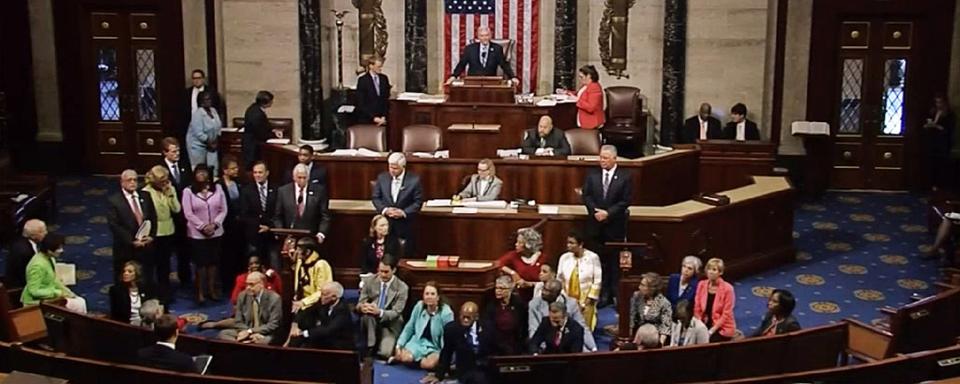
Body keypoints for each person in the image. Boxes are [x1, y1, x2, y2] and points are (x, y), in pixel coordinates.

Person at [582, 145, 632, 307]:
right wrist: (595, 211)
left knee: (613, 263)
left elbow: (625, 201)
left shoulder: (625, 177)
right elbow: (586, 195)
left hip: (614, 226)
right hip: (596, 226)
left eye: (605, 158)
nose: (601, 161)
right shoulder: (592, 175)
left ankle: (615, 294)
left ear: (614, 158)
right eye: (600, 157)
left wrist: (608, 213)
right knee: (598, 262)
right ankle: (602, 294)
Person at [181, 165, 227, 304]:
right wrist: (202, 226)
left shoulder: (218, 189)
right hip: (197, 234)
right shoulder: (188, 191)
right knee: (201, 264)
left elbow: (223, 209)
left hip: (216, 232)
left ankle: (212, 290)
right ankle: (200, 292)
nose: (201, 174)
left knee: (213, 263)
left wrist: (215, 224)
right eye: (198, 172)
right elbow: (188, 213)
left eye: (204, 172)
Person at [107, 169, 157, 285]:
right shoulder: (114, 201)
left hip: (145, 245)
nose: (133, 182)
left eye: (135, 179)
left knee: (147, 274)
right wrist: (131, 241)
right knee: (125, 277)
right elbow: (114, 225)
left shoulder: (145, 195)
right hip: (126, 248)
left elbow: (153, 218)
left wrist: (151, 236)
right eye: (129, 180)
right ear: (122, 182)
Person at [391, 282, 455, 369]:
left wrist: (444, 358)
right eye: (427, 294)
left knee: (428, 365)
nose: (429, 296)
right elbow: (409, 327)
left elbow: (448, 337)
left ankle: (419, 362)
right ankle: (412, 358)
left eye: (432, 294)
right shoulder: (419, 306)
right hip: (418, 343)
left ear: (438, 297)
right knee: (406, 358)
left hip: (434, 347)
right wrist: (399, 345)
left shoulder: (446, 313)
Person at [357, 255, 409, 359]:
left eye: (386, 272)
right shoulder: (370, 281)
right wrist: (363, 307)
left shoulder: (402, 287)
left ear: (394, 270)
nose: (382, 275)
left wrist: (380, 312)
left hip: (390, 323)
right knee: (369, 315)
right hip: (370, 320)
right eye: (380, 271)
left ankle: (379, 343)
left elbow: (396, 312)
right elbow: (360, 303)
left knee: (385, 353)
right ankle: (371, 347)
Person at [429, 301, 494, 384]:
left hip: (486, 368)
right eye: (463, 317)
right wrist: (439, 375)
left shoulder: (487, 327)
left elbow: (494, 348)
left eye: (468, 317)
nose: (465, 320)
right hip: (466, 369)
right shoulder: (452, 329)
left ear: (476, 317)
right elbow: (446, 353)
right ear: (459, 315)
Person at [142, 165, 180, 302]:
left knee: (165, 265)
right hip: (153, 233)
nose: (165, 183)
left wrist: (170, 194)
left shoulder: (170, 189)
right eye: (161, 180)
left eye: (166, 179)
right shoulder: (145, 192)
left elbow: (176, 209)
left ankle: (165, 294)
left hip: (168, 231)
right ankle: (150, 292)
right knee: (151, 264)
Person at [371, 153, 423, 256]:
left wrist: (403, 212)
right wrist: (385, 210)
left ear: (403, 167)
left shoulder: (414, 180)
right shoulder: (382, 178)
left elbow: (418, 202)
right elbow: (376, 198)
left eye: (395, 168)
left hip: (405, 225)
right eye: (390, 167)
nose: (392, 170)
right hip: (386, 222)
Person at [21, 233, 87, 313]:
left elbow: (54, 279)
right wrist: (58, 293)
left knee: (80, 300)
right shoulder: (37, 266)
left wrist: (68, 292)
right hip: (35, 303)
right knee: (79, 304)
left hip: (50, 295)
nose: (61, 250)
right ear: (49, 250)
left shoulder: (50, 259)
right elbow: (34, 291)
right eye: (58, 248)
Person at [158, 137, 193, 288]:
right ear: (165, 153)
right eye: (173, 151)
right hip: (167, 218)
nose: (177, 154)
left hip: (183, 215)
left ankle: (185, 279)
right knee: (165, 254)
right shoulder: (159, 170)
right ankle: (165, 285)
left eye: (178, 150)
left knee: (184, 250)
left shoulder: (184, 165)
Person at [528, 279, 598, 352]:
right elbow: (533, 329)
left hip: (570, 343)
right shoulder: (534, 304)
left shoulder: (571, 303)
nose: (543, 292)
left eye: (548, 291)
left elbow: (582, 327)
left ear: (557, 293)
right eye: (544, 289)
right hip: (546, 345)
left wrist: (593, 348)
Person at [214, 271, 282, 344]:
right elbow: (238, 321)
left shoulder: (274, 298)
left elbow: (273, 325)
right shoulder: (242, 296)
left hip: (264, 333)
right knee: (223, 334)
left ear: (261, 284)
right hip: (245, 330)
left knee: (265, 341)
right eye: (247, 284)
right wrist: (247, 332)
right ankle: (246, 343)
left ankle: (243, 344)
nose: (248, 288)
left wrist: (251, 331)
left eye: (251, 285)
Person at [273, 163, 332, 244]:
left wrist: (321, 233)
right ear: (294, 177)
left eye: (304, 178)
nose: (302, 180)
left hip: (311, 237)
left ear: (308, 177)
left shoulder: (319, 191)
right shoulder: (283, 191)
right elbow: (277, 216)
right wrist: (281, 233)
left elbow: (325, 216)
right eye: (299, 177)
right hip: (289, 237)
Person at [287, 281, 355, 350]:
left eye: (324, 294)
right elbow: (306, 312)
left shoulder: (342, 310)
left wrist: (304, 333)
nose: (321, 297)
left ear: (334, 297)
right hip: (324, 341)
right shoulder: (323, 302)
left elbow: (328, 330)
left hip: (338, 346)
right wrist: (295, 324)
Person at [557, 231, 602, 331]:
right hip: (567, 297)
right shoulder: (564, 258)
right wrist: (564, 298)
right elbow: (559, 279)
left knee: (584, 328)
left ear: (581, 244)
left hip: (586, 299)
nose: (568, 245)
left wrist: (588, 300)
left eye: (572, 243)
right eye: (568, 242)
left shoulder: (593, 257)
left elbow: (597, 280)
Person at [240, 161, 279, 269]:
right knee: (254, 267)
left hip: (272, 235)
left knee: (274, 266)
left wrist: (269, 227)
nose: (257, 175)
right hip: (254, 235)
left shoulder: (277, 189)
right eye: (255, 172)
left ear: (267, 173)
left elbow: (278, 211)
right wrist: (259, 226)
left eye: (260, 172)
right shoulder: (246, 190)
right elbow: (244, 214)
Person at [447, 26, 518, 85]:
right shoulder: (470, 48)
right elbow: (462, 64)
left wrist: (512, 77)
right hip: (473, 82)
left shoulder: (497, 49)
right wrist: (454, 76)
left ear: (490, 35)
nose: (485, 38)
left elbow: (504, 64)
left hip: (491, 82)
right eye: (482, 36)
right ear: (478, 37)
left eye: (487, 35)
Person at [216, 155, 245, 292]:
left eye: (236, 167)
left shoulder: (239, 183)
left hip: (239, 226)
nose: (236, 170)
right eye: (232, 168)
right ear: (225, 170)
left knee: (239, 255)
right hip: (225, 226)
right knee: (226, 257)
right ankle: (227, 285)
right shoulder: (218, 185)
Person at [694, 258, 737, 342]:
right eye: (709, 269)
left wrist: (712, 330)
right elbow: (697, 306)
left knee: (709, 343)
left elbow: (726, 313)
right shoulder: (701, 285)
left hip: (721, 326)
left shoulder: (728, 289)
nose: (710, 272)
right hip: (704, 322)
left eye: (714, 270)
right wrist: (699, 323)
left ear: (720, 272)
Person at [482, 275, 528, 355]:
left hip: (514, 344)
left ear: (510, 289)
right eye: (496, 288)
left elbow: (523, 327)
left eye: (501, 288)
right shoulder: (490, 305)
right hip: (495, 345)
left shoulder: (519, 304)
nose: (497, 291)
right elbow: (487, 328)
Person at [291, 237, 333, 313]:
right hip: (300, 301)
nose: (296, 252)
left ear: (307, 252)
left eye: (299, 250)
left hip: (316, 304)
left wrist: (304, 302)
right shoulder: (300, 262)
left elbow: (322, 292)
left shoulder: (321, 265)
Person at [629, 272, 672, 347]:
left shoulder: (664, 303)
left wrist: (660, 345)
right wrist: (630, 339)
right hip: (638, 335)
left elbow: (665, 327)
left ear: (652, 288)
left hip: (654, 338)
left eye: (642, 285)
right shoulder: (637, 296)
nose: (639, 287)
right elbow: (631, 317)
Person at [186, 91, 223, 176]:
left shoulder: (213, 111)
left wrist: (217, 139)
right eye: (206, 99)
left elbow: (218, 126)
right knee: (200, 169)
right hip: (197, 145)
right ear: (201, 101)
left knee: (213, 166)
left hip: (212, 143)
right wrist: (209, 142)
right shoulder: (197, 114)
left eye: (210, 99)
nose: (209, 101)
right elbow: (199, 133)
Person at [924, 94, 957, 191]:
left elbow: (949, 129)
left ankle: (941, 185)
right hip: (933, 141)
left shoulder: (950, 114)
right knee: (932, 163)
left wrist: (937, 127)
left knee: (941, 164)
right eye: (937, 102)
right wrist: (928, 125)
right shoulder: (933, 112)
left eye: (940, 102)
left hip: (943, 142)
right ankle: (931, 184)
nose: (938, 104)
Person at [109, 261, 156, 325]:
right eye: (124, 271)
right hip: (127, 324)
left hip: (145, 323)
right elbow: (115, 314)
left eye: (130, 271)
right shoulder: (116, 290)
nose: (125, 273)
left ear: (136, 274)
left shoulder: (145, 288)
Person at [241, 90, 280, 169]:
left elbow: (263, 126)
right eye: (271, 101)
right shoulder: (257, 114)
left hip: (251, 144)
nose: (272, 102)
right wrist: (274, 135)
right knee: (253, 167)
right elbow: (261, 133)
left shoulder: (254, 108)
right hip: (253, 147)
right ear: (266, 102)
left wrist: (273, 130)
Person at [4, 219, 47, 289]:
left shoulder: (20, 241)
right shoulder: (26, 252)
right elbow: (28, 276)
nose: (46, 233)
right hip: (20, 289)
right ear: (34, 235)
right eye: (43, 231)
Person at [182, 69, 223, 140]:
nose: (196, 80)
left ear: (203, 79)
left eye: (199, 78)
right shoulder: (187, 93)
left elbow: (217, 109)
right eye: (194, 78)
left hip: (207, 127)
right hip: (191, 126)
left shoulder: (211, 92)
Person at [355, 56, 392, 126]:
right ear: (371, 66)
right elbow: (361, 103)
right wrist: (374, 118)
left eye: (381, 66)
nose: (381, 69)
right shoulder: (363, 80)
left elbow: (386, 99)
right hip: (367, 119)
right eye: (378, 67)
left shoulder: (384, 78)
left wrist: (383, 117)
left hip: (382, 119)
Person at [572, 65, 605, 130]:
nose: (579, 79)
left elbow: (591, 107)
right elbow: (580, 95)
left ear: (589, 76)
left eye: (581, 77)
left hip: (591, 123)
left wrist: (577, 100)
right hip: (585, 122)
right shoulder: (587, 86)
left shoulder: (594, 87)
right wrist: (567, 93)